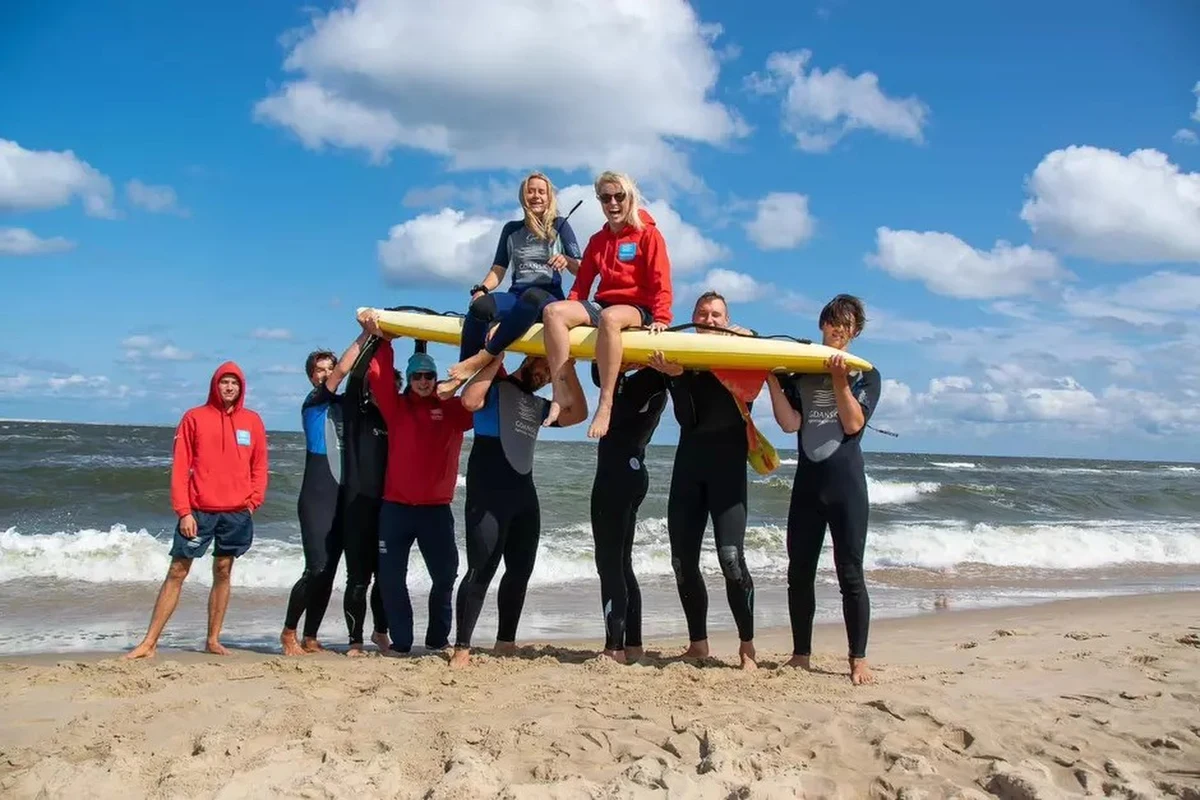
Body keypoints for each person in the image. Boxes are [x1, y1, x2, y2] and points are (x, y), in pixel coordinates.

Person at [764, 293, 881, 686]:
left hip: (846, 486)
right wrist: (771, 380)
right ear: (822, 325)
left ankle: (858, 659)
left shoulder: (867, 375)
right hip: (808, 486)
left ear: (855, 331)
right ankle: (801, 654)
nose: (838, 330)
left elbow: (852, 425)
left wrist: (839, 379)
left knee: (850, 574)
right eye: (832, 323)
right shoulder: (800, 372)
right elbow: (790, 424)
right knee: (799, 573)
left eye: (846, 325)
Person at [450, 352, 588, 668]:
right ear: (528, 358)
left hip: (524, 498)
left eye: (550, 373)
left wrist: (566, 367)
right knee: (481, 569)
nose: (545, 375)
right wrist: (494, 355)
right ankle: (462, 647)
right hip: (488, 496)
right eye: (544, 366)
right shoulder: (494, 388)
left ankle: (505, 642)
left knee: (520, 571)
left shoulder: (539, 406)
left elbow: (578, 413)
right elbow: (469, 401)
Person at [646, 292, 761, 670]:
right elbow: (688, 420)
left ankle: (747, 646)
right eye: (702, 313)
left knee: (731, 558)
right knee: (682, 561)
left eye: (716, 315)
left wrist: (743, 334)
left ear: (727, 321)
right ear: (693, 318)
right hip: (689, 470)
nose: (709, 319)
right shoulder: (681, 360)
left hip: (728, 472)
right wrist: (675, 378)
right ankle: (698, 644)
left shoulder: (742, 355)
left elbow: (757, 340)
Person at [125, 362, 268, 659]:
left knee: (223, 570)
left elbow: (259, 466)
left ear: (241, 387)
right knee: (177, 570)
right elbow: (180, 467)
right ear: (215, 385)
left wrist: (252, 502)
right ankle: (149, 643)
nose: (229, 387)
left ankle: (213, 640)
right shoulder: (194, 417)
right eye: (224, 382)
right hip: (199, 511)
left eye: (234, 383)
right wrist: (184, 511)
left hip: (236, 513)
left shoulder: (252, 421)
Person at [360, 309, 474, 654]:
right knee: (391, 579)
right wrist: (383, 339)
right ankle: (402, 642)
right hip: (396, 510)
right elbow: (379, 375)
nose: (423, 381)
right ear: (409, 379)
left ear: (436, 378)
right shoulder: (396, 408)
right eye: (417, 376)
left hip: (435, 512)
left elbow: (478, 393)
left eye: (428, 376)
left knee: (445, 577)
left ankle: (438, 639)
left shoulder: (452, 410)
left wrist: (483, 351)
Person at [540, 171, 673, 439]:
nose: (613, 203)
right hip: (603, 304)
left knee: (610, 318)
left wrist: (662, 318)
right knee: (553, 312)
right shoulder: (597, 241)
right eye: (605, 198)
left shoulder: (649, 234)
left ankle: (605, 403)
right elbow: (582, 285)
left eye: (619, 196)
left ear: (630, 198)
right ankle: (560, 390)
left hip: (638, 308)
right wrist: (571, 318)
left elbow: (661, 279)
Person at [439, 172, 582, 398]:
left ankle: (483, 357)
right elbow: (498, 269)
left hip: (547, 297)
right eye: (530, 191)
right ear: (523, 196)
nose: (536, 196)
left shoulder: (559, 225)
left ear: (549, 197)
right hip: (517, 295)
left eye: (541, 192)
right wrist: (482, 290)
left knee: (532, 296)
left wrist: (567, 260)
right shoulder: (511, 229)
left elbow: (581, 268)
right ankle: (460, 376)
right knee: (481, 307)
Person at [281, 336, 375, 656]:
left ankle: (310, 636)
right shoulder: (315, 401)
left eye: (329, 368)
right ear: (311, 377)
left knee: (330, 571)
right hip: (317, 497)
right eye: (319, 370)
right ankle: (288, 631)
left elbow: (360, 376)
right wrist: (366, 336)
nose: (325, 374)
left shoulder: (344, 405)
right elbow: (345, 371)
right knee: (317, 568)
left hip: (342, 499)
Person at [589, 361, 669, 664]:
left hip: (616, 476)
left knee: (609, 563)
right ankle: (633, 645)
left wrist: (620, 369)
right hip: (631, 471)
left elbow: (612, 403)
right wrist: (619, 367)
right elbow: (600, 374)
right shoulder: (654, 380)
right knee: (622, 564)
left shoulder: (649, 380)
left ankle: (614, 648)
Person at [339, 338, 396, 657]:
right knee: (358, 579)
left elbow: (414, 382)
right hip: (357, 508)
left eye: (392, 387)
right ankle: (354, 640)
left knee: (386, 578)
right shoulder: (356, 414)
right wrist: (376, 340)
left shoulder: (397, 418)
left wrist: (421, 341)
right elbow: (357, 377)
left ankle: (380, 632)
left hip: (388, 510)